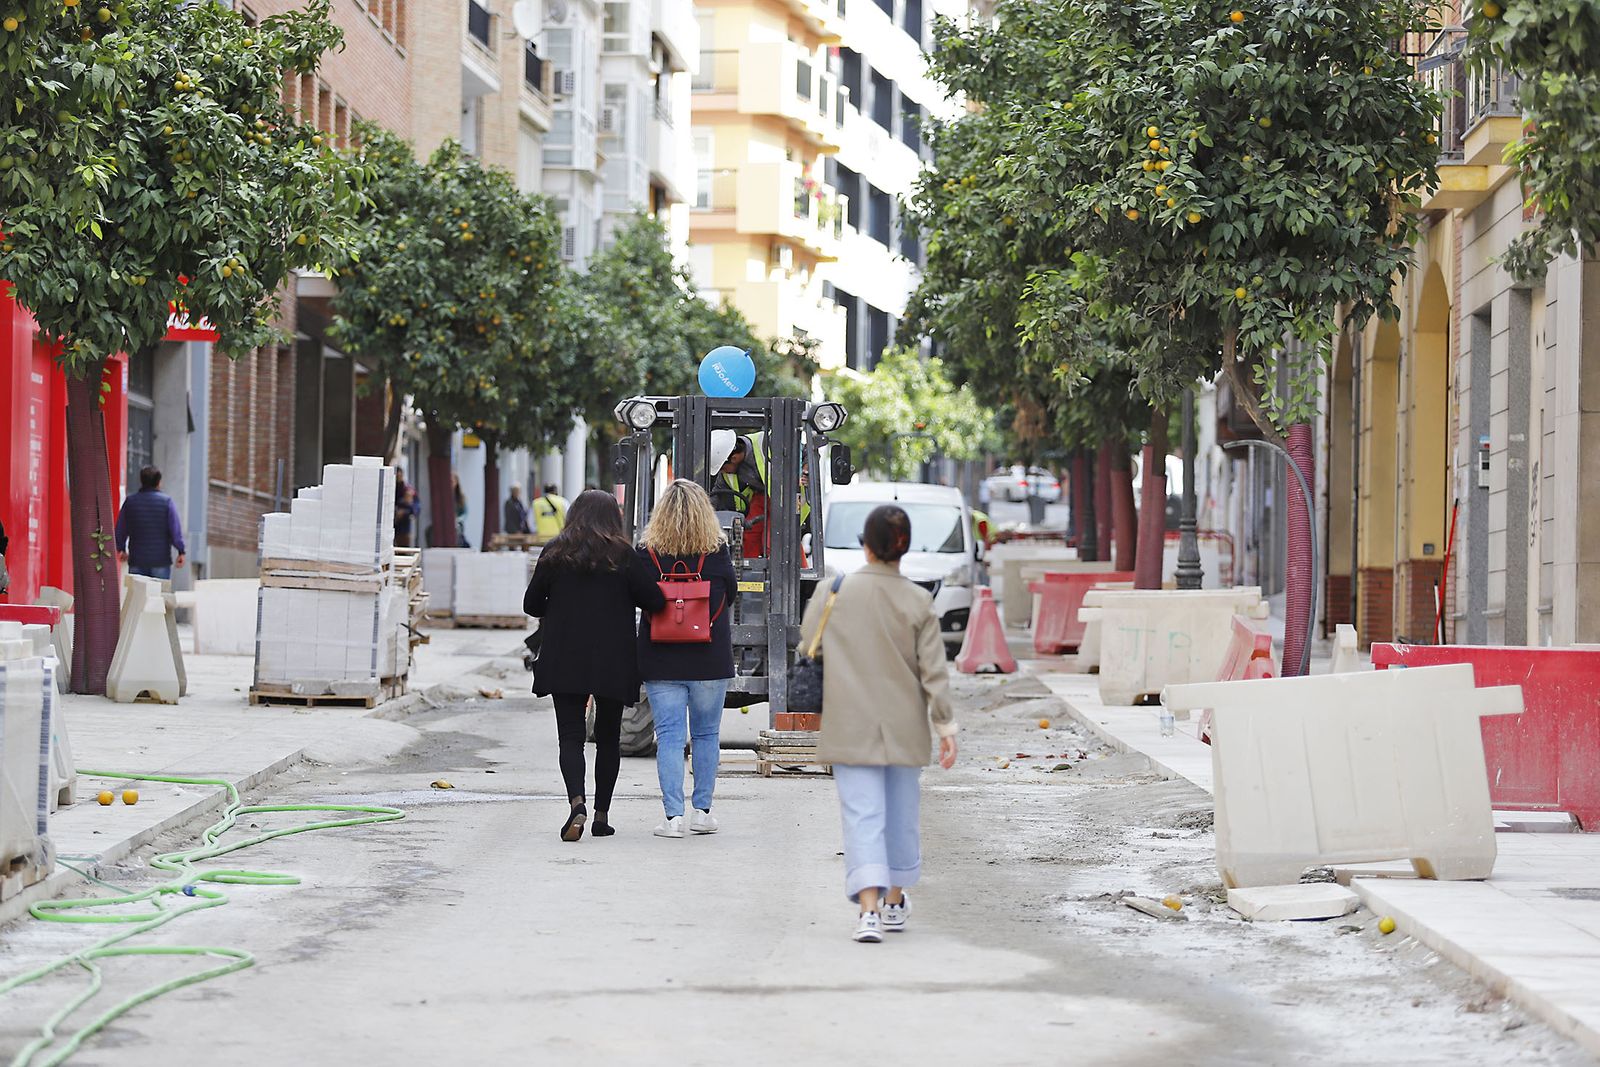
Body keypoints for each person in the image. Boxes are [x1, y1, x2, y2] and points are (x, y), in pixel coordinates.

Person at [798, 503, 958, 944]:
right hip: (905, 726)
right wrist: (945, 727)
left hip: (850, 723)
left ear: (865, 545)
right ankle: (894, 902)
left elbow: (809, 643)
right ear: (902, 549)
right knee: (902, 816)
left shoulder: (834, 591)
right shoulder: (918, 600)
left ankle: (868, 911)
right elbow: (934, 672)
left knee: (861, 814)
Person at [524, 490, 665, 842]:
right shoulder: (623, 555)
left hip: (564, 655)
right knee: (608, 739)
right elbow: (655, 600)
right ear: (612, 518)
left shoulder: (555, 552)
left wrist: (559, 605)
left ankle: (577, 804)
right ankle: (602, 816)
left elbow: (532, 604)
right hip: (612, 657)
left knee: (570, 737)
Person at [635, 480, 736, 839]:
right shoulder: (717, 551)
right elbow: (731, 593)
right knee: (707, 734)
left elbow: (639, 596)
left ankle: (673, 818)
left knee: (670, 736)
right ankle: (702, 812)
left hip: (661, 659)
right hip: (709, 658)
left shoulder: (646, 553)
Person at [114, 466, 187, 580]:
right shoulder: (166, 502)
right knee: (159, 595)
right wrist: (181, 551)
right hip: (160, 561)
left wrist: (121, 549)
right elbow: (175, 530)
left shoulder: (131, 502)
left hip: (137, 560)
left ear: (141, 481)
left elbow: (121, 528)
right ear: (158, 482)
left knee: (138, 596)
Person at [394, 483, 420, 549]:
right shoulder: (400, 503)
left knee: (406, 547)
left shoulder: (411, 506)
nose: (407, 497)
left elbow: (414, 512)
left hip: (406, 532)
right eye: (407, 495)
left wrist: (404, 512)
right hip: (397, 530)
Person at [452, 473, 471, 548]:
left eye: (453, 481)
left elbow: (465, 513)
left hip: (458, 524)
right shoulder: (444, 495)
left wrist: (458, 520)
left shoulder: (461, 497)